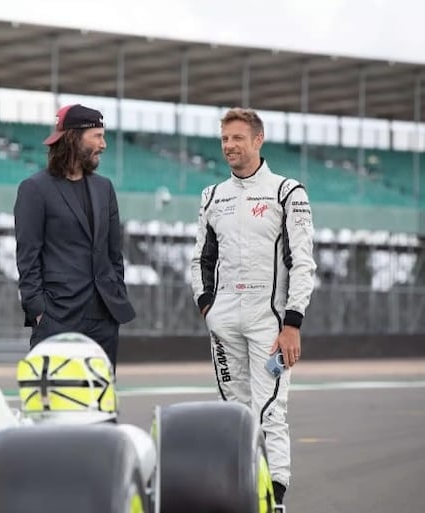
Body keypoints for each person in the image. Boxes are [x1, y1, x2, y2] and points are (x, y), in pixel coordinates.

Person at [190, 107, 316, 508]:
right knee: (234, 415)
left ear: (258, 140)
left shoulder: (287, 192)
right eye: (225, 139)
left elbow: (303, 261)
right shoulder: (212, 197)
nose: (229, 146)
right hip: (224, 322)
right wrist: (207, 307)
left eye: (237, 138)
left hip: (270, 324)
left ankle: (275, 500)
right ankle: (241, 494)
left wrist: (292, 323)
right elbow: (200, 260)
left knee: (269, 412)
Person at [13, 104, 135, 371]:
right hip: (57, 317)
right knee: (56, 400)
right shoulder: (35, 189)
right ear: (74, 137)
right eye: (97, 136)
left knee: (101, 400)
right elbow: (27, 258)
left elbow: (114, 252)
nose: (103, 144)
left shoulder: (105, 188)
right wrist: (39, 311)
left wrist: (116, 290)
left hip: (104, 317)